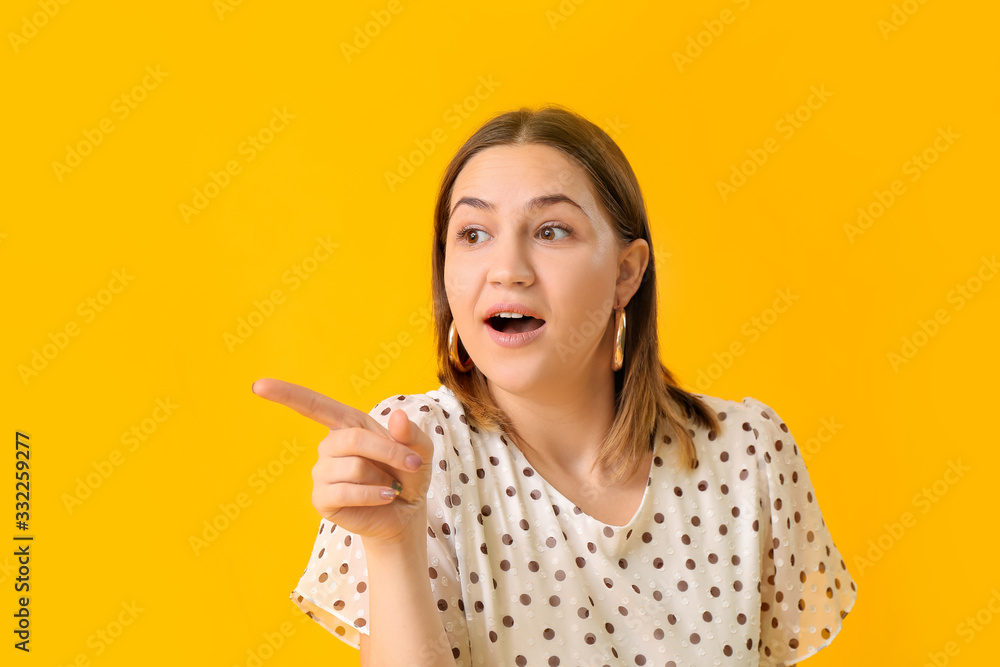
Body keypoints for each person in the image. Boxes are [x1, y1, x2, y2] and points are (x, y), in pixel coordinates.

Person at [253, 104, 857, 666]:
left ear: (627, 272)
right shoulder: (410, 455)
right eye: (473, 234)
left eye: (551, 231)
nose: (507, 268)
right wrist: (392, 540)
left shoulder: (748, 453)